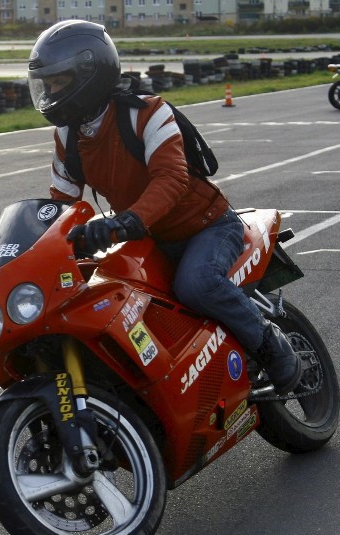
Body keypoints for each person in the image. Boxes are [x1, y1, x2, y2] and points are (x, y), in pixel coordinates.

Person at [27, 20, 302, 395]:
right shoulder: (68, 135)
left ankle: (272, 345)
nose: (51, 91)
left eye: (59, 81)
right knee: (114, 301)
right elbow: (60, 203)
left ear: (89, 74)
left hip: (205, 227)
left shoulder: (147, 112)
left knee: (197, 284)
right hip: (147, 237)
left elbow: (171, 178)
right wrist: (40, 247)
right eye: (48, 83)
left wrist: (126, 222)